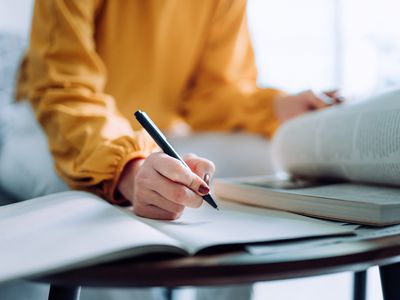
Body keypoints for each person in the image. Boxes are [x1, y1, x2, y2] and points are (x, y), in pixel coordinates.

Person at [0, 0, 339, 299]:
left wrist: (276, 108)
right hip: (49, 130)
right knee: (93, 202)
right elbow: (65, 92)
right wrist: (125, 168)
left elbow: (210, 92)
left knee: (259, 156)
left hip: (150, 135)